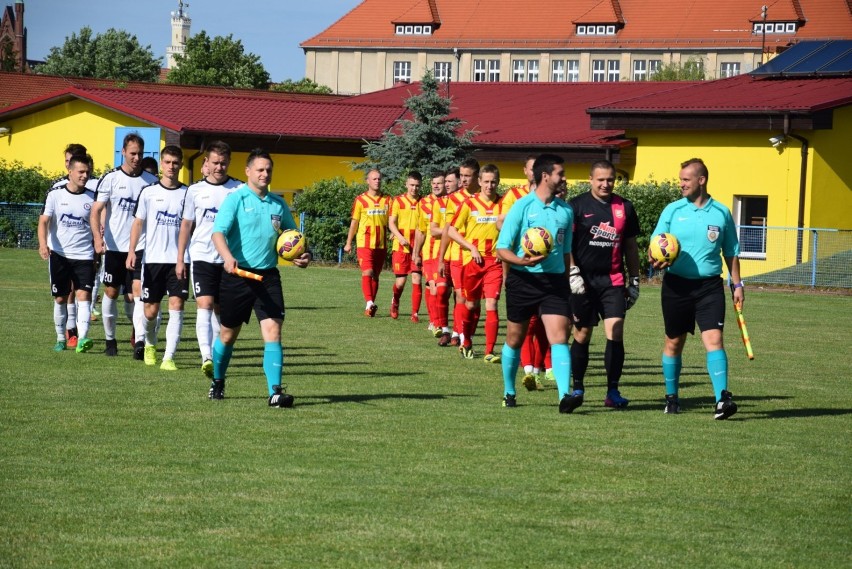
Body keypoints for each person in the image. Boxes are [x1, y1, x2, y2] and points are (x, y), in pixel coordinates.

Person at [209, 148, 311, 406]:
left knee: (273, 330)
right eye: (260, 170)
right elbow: (217, 233)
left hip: (268, 277)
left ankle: (275, 392)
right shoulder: (236, 199)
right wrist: (227, 256)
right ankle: (218, 381)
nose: (265, 174)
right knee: (227, 336)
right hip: (238, 276)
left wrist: (302, 256)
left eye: (268, 170)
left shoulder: (278, 204)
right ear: (248, 171)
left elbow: (292, 238)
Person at [651, 158, 742, 420]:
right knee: (674, 342)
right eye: (680, 179)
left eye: (686, 180)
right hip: (676, 286)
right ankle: (671, 398)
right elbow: (655, 243)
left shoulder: (721, 212)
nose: (681, 184)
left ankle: (722, 400)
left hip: (709, 287)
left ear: (701, 181)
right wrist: (654, 257)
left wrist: (737, 284)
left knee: (714, 340)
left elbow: (731, 252)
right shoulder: (672, 210)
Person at [495, 153, 585, 412]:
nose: (564, 178)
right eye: (560, 173)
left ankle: (564, 397)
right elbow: (502, 248)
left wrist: (573, 277)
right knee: (514, 337)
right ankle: (509, 391)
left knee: (559, 337)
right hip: (523, 280)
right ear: (546, 176)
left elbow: (566, 252)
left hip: (554, 283)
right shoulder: (522, 207)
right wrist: (521, 262)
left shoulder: (566, 211)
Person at [567, 160, 641, 410]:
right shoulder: (576, 206)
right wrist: (572, 272)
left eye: (610, 179)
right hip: (583, 282)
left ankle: (613, 390)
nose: (605, 184)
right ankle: (577, 387)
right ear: (590, 179)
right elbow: (567, 244)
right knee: (582, 334)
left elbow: (631, 247)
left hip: (613, 281)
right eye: (600, 179)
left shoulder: (625, 207)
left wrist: (635, 279)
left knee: (616, 332)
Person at [177, 141, 243, 377]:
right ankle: (206, 356)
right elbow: (186, 225)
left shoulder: (238, 189)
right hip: (202, 256)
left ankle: (216, 354)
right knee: (203, 304)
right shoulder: (194, 190)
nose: (219, 167)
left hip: (228, 259)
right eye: (215, 162)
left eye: (223, 163)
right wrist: (180, 258)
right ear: (206, 163)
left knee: (220, 310)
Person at [90, 133, 158, 357]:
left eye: (140, 153)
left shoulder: (150, 182)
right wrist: (98, 239)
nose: (137, 158)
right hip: (114, 246)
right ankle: (110, 341)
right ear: (123, 152)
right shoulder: (110, 179)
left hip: (140, 246)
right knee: (111, 293)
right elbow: (96, 210)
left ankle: (139, 341)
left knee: (137, 293)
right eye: (133, 153)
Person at [126, 146, 189, 370]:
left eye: (175, 163)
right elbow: (138, 222)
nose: (172, 167)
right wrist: (132, 250)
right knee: (150, 311)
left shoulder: (188, 193)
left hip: (180, 260)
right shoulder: (148, 192)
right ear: (161, 164)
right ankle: (150, 344)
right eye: (168, 162)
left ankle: (168, 357)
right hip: (152, 260)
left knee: (176, 305)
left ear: (181, 165)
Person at [499, 155, 550, 390]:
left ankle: (540, 367)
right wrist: (524, 235)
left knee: (545, 325)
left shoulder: (554, 198)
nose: (534, 173)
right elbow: (501, 223)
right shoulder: (515, 196)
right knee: (525, 324)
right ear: (526, 172)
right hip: (519, 264)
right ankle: (528, 368)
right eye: (531, 169)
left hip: (550, 270)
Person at [37, 153, 96, 353]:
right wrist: (43, 244)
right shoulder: (55, 194)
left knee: (84, 295)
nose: (84, 175)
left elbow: (98, 225)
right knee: (61, 298)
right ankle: (61, 338)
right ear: (70, 172)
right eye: (80, 172)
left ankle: (83, 338)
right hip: (60, 254)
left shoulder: (92, 197)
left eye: (87, 172)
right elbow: (44, 221)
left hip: (84, 254)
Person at [447, 164, 504, 361]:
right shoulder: (469, 204)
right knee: (470, 306)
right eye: (486, 181)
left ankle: (489, 351)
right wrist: (470, 247)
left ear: (498, 182)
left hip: (494, 263)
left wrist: (504, 248)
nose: (490, 185)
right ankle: (467, 342)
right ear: (479, 182)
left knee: (492, 303)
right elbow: (452, 230)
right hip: (472, 262)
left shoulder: (504, 205)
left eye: (493, 181)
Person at [438, 158, 480, 346]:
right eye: (461, 175)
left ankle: (462, 332)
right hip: (457, 256)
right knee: (459, 295)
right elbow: (447, 230)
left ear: (476, 176)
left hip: (481, 256)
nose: (463, 179)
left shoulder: (487, 197)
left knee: (474, 300)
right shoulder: (453, 199)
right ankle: (457, 333)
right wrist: (441, 258)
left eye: (467, 176)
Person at [343, 168, 391, 317]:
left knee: (376, 275)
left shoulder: (388, 200)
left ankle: (369, 306)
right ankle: (370, 302)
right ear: (367, 181)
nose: (377, 181)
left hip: (381, 244)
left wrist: (395, 234)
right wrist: (349, 242)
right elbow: (354, 222)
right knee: (367, 271)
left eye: (379, 179)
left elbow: (393, 220)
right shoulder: (360, 200)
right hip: (365, 242)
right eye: (374, 179)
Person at [387, 171, 423, 322]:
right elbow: (391, 223)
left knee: (417, 278)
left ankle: (414, 313)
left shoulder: (424, 202)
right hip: (401, 247)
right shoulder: (398, 201)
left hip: (418, 248)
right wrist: (400, 237)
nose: (414, 188)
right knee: (400, 282)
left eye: (417, 186)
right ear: (406, 184)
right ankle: (395, 301)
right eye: (412, 185)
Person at [430, 168, 459, 346]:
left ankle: (457, 332)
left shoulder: (466, 201)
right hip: (442, 254)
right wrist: (451, 232)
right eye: (445, 181)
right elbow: (433, 230)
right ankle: (444, 329)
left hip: (460, 255)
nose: (446, 185)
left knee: (459, 296)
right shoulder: (438, 203)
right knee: (441, 291)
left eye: (449, 181)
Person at [414, 172, 446, 336]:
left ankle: (439, 322)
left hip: (447, 253)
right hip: (429, 252)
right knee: (433, 285)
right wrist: (416, 252)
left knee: (440, 288)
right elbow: (420, 230)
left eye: (439, 183)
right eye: (434, 183)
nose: (436, 186)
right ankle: (435, 322)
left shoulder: (449, 202)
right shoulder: (424, 203)